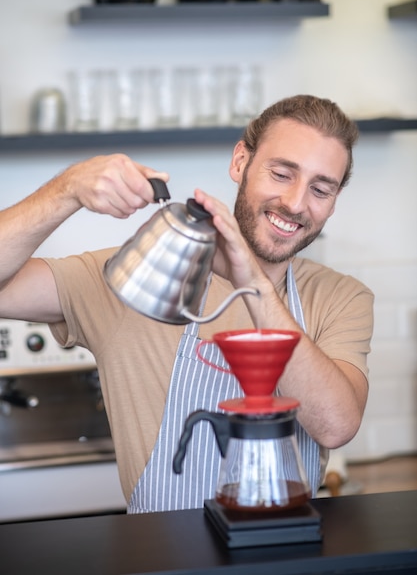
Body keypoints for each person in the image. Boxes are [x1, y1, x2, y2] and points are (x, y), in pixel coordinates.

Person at [0, 94, 373, 513]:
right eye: (282, 173)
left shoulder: (340, 298)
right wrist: (67, 190)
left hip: (284, 552)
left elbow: (336, 425)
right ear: (240, 163)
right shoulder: (137, 274)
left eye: (321, 189)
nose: (296, 202)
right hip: (163, 555)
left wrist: (250, 280)